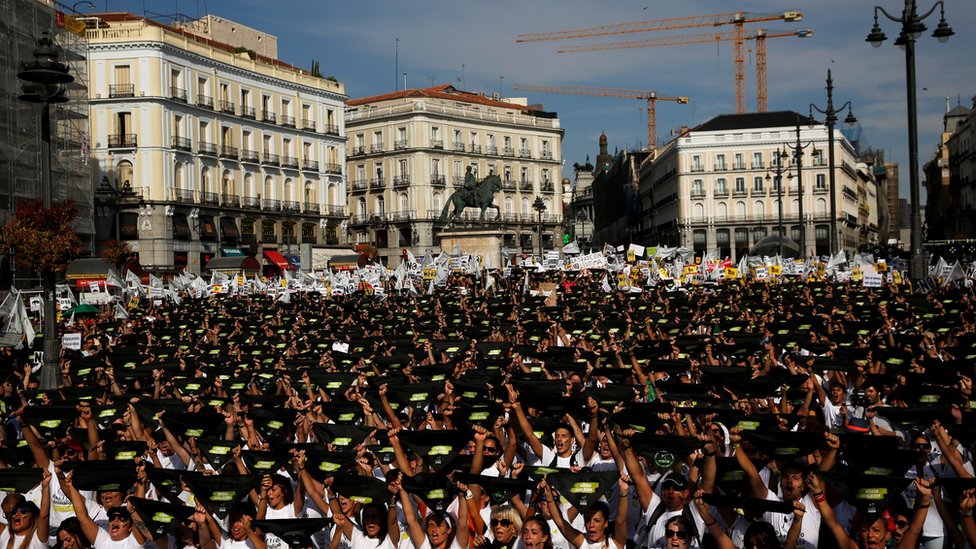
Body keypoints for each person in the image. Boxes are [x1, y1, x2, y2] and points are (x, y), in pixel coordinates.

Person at [0, 470, 50, 549]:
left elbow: (44, 516)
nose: (17, 514)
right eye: (14, 512)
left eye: (23, 511)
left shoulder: (37, 539)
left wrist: (46, 486)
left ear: (32, 518)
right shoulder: (5, 533)